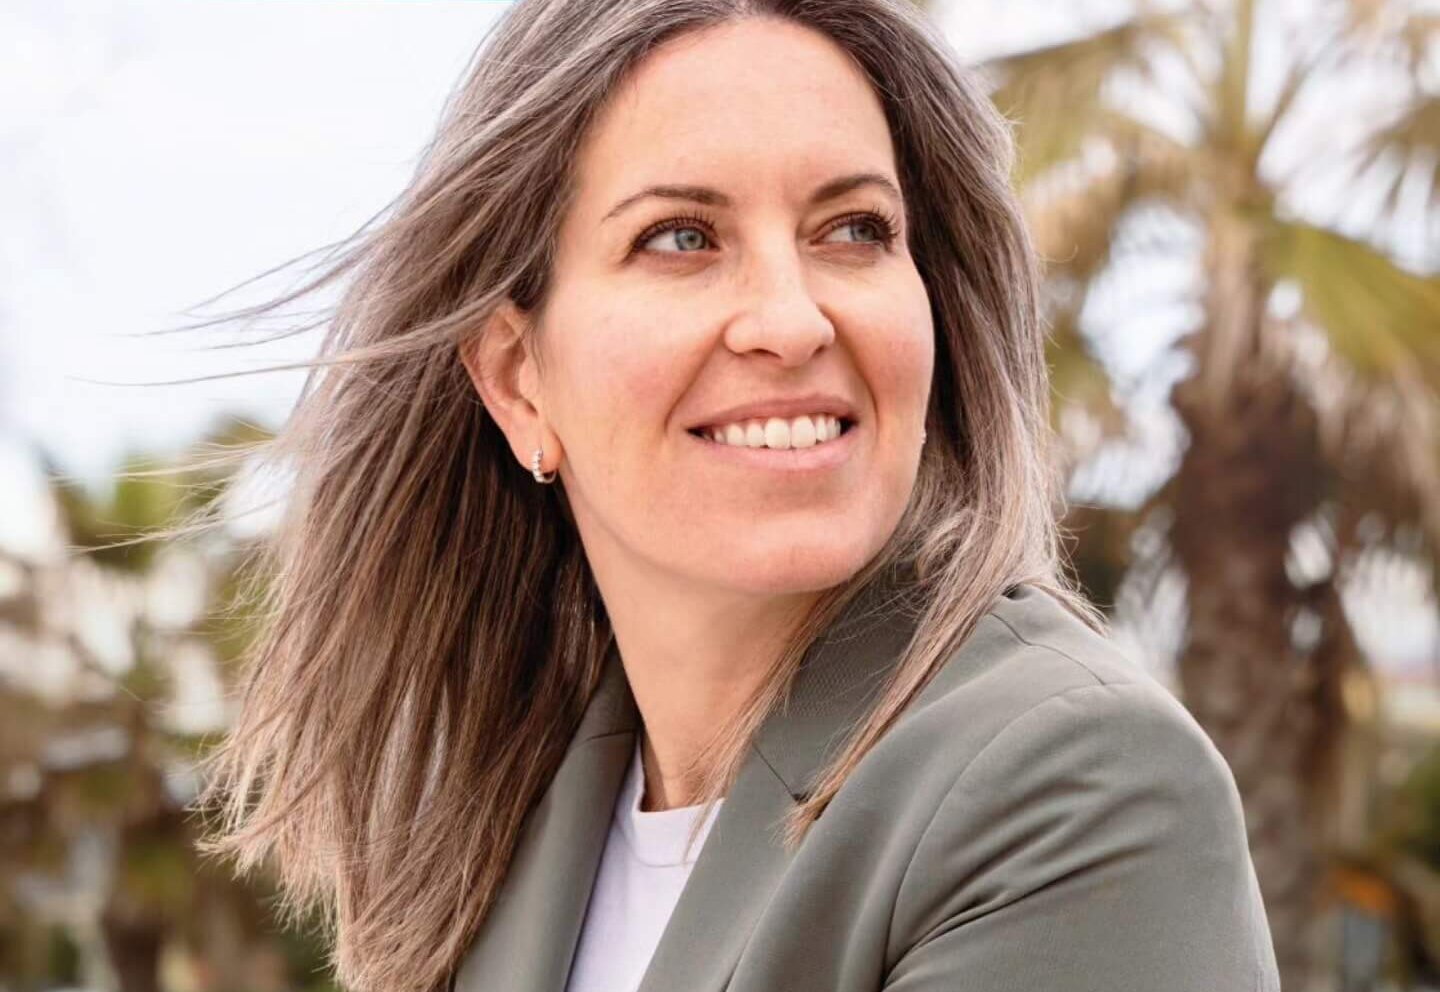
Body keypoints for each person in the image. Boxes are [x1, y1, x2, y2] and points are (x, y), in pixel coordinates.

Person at [198, 1, 1282, 990]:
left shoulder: (1077, 785)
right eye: (683, 237)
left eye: (854, 229)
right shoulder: (510, 825)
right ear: (519, 381)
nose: (792, 320)